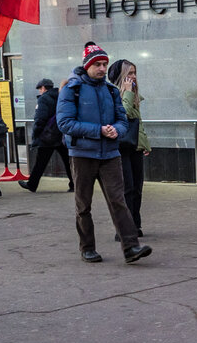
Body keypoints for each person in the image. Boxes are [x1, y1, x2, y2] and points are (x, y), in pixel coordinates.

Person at [56, 42, 152, 263]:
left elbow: (122, 119)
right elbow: (65, 123)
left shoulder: (111, 90)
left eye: (104, 64)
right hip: (82, 154)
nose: (101, 68)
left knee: (118, 200)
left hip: (109, 154)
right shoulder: (73, 89)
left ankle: (131, 247)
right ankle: (87, 247)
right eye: (97, 64)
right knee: (83, 204)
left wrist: (115, 131)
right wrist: (99, 131)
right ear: (87, 65)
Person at [108, 60, 148, 238]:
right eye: (129, 73)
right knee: (127, 188)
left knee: (138, 187)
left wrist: (144, 144)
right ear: (121, 76)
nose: (133, 77)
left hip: (135, 147)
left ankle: (136, 224)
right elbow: (123, 114)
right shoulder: (113, 94)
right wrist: (128, 93)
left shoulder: (134, 95)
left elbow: (138, 124)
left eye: (134, 73)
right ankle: (124, 228)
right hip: (121, 147)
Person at [19, 78, 72, 193]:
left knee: (40, 162)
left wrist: (36, 133)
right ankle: (74, 184)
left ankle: (32, 184)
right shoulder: (60, 95)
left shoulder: (44, 99)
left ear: (43, 88)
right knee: (67, 161)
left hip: (47, 135)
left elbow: (40, 118)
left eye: (39, 89)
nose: (39, 92)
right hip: (60, 134)